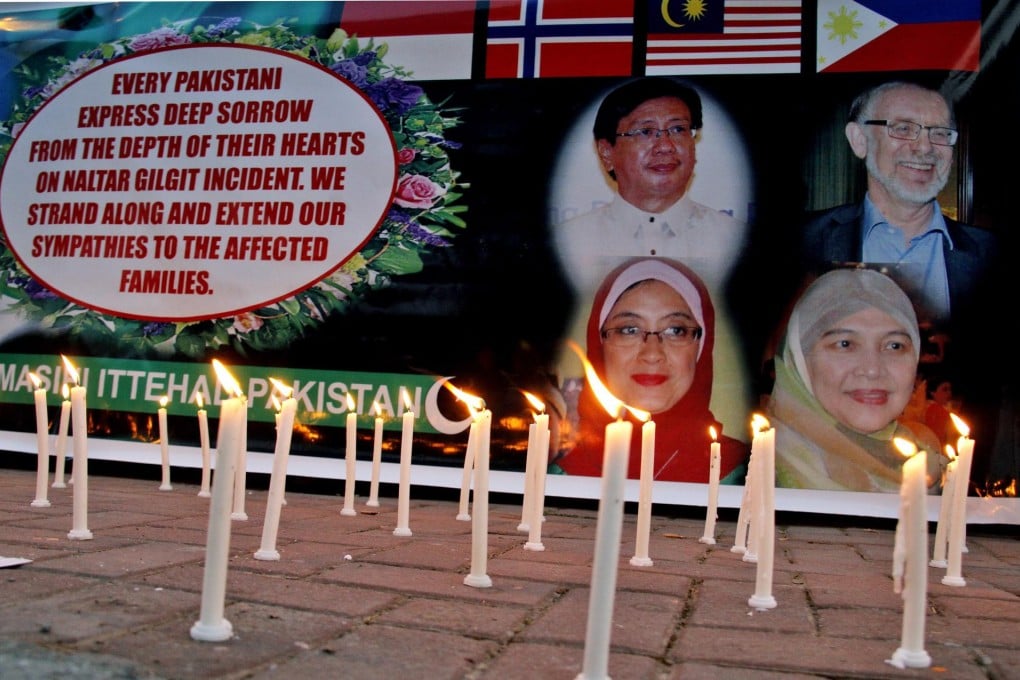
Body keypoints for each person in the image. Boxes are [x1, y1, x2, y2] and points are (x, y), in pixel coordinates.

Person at [801, 81, 997, 324]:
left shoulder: (993, 256)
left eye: (939, 133)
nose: (924, 148)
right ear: (859, 140)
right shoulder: (799, 245)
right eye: (903, 128)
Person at [557, 257, 747, 483]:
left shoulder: (745, 475)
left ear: (702, 348)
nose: (652, 353)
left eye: (675, 330)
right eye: (629, 330)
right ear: (600, 346)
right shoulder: (554, 474)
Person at [555, 77, 746, 294]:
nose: (665, 146)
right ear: (607, 152)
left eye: (678, 129)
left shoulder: (737, 241)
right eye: (645, 132)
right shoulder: (566, 243)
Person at [768, 268, 943, 492]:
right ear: (800, 360)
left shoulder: (926, 466)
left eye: (894, 345)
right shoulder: (759, 472)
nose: (872, 369)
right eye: (845, 344)